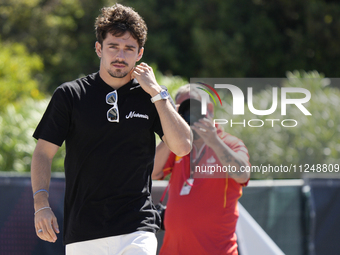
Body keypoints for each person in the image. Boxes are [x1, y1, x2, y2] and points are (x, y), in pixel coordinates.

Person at [30, 4, 191, 255]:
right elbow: (43, 153)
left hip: (137, 228)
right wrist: (41, 204)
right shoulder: (70, 95)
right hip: (83, 232)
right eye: (113, 46)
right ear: (98, 49)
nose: (120, 55)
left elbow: (183, 146)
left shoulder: (151, 96)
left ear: (140, 54)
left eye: (129, 49)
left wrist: (158, 93)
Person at [152, 84, 251, 255]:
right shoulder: (179, 149)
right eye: (185, 109)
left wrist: (213, 141)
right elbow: (152, 171)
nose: (190, 114)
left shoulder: (229, 144)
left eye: (195, 107)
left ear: (209, 109)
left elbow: (243, 175)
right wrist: (172, 126)